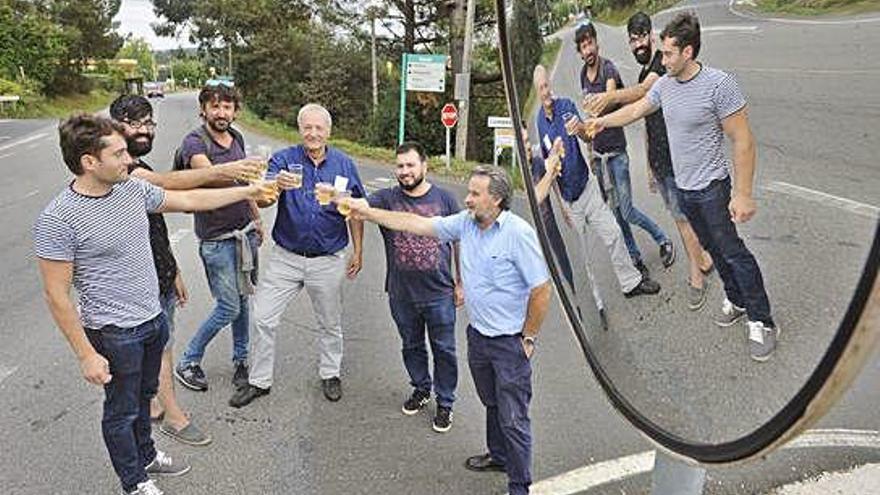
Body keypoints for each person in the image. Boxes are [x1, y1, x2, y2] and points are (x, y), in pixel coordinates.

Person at [33, 114, 276, 495]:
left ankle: (145, 454)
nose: (129, 159)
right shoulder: (59, 218)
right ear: (88, 162)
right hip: (114, 332)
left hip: (153, 319)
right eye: (119, 153)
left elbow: (188, 199)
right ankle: (133, 482)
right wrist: (85, 355)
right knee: (122, 410)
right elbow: (56, 295)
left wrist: (246, 191)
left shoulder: (130, 189)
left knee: (145, 397)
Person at [344, 166, 553, 495]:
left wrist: (528, 337)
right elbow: (415, 223)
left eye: (474, 193)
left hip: (509, 344)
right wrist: (367, 212)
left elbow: (541, 289)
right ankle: (498, 456)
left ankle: (519, 486)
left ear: (496, 199)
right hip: (478, 337)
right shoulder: (465, 224)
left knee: (514, 417)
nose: (466, 199)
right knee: (492, 403)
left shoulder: (518, 233)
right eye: (468, 191)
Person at [586, 12, 779, 361]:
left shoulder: (719, 85)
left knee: (733, 252)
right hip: (685, 189)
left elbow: (743, 140)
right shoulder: (664, 85)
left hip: (712, 188)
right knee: (714, 251)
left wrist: (743, 193)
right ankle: (735, 299)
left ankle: (762, 320)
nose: (663, 58)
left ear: (688, 52)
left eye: (670, 53)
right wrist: (598, 123)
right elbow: (634, 112)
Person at [230, 103, 365, 406]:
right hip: (286, 257)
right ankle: (259, 381)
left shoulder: (344, 164)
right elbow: (264, 201)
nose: (313, 133)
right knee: (263, 317)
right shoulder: (284, 159)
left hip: (328, 259)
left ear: (328, 132)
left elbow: (356, 212)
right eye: (308, 127)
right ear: (299, 128)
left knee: (330, 323)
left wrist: (359, 250)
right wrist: (273, 185)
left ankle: (330, 373)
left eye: (319, 128)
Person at [583, 12, 715, 310]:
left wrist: (609, 98)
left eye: (642, 36)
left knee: (684, 220)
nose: (638, 43)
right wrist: (649, 167)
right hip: (662, 161)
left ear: (652, 37)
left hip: (680, 158)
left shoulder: (660, 66)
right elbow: (642, 117)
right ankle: (704, 259)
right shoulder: (645, 71)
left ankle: (697, 276)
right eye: (632, 39)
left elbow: (643, 93)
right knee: (683, 217)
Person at [533, 64, 661, 300]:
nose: (547, 91)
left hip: (586, 187)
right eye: (541, 88)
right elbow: (548, 169)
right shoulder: (539, 122)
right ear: (537, 91)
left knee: (613, 233)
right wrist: (562, 207)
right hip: (569, 199)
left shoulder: (566, 107)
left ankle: (631, 283)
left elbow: (588, 135)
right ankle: (593, 303)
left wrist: (580, 128)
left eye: (547, 85)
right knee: (583, 258)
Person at [367, 141, 463, 432]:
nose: (405, 171)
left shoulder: (445, 199)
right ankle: (421, 389)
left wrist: (461, 282)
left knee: (444, 349)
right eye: (400, 166)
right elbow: (355, 209)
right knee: (411, 345)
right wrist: (357, 250)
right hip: (401, 293)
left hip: (439, 292)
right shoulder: (385, 199)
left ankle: (445, 403)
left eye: (410, 165)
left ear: (424, 166)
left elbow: (459, 241)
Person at [175, 83, 263, 392]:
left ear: (235, 111)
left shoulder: (236, 137)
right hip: (216, 239)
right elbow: (212, 175)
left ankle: (241, 360)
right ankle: (188, 360)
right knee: (229, 307)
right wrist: (243, 171)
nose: (221, 113)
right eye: (215, 106)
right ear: (203, 109)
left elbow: (244, 183)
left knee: (242, 300)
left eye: (227, 107)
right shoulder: (194, 143)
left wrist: (255, 216)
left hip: (244, 234)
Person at [574, 22, 674, 274]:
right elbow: (589, 108)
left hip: (616, 153)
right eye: (583, 46)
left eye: (590, 43)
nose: (588, 50)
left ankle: (662, 238)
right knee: (617, 213)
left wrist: (594, 109)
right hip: (599, 156)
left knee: (627, 210)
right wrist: (588, 149)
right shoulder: (582, 75)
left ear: (597, 43)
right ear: (579, 51)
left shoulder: (608, 69)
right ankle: (634, 256)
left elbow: (606, 102)